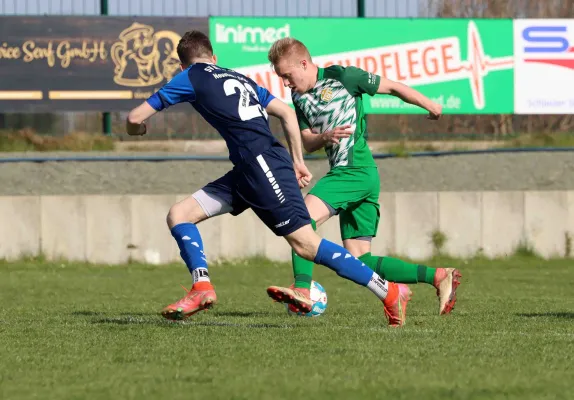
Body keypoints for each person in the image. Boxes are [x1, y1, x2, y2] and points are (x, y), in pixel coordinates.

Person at [125, 31, 412, 327]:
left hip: (262, 164)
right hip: (249, 168)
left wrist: (138, 132)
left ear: (183, 65)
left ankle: (390, 292)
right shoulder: (238, 77)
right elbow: (286, 114)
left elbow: (135, 118)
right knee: (180, 213)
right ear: (214, 58)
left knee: (305, 244)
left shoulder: (189, 77)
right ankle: (201, 287)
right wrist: (298, 161)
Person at [265, 37, 461, 316]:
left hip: (355, 169)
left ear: (304, 63)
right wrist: (325, 136)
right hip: (353, 175)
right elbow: (308, 142)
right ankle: (438, 276)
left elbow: (392, 87)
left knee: (300, 222)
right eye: (281, 77)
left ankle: (303, 289)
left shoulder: (343, 77)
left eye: (287, 75)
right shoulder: (298, 98)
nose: (285, 82)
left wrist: (429, 104)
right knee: (360, 259)